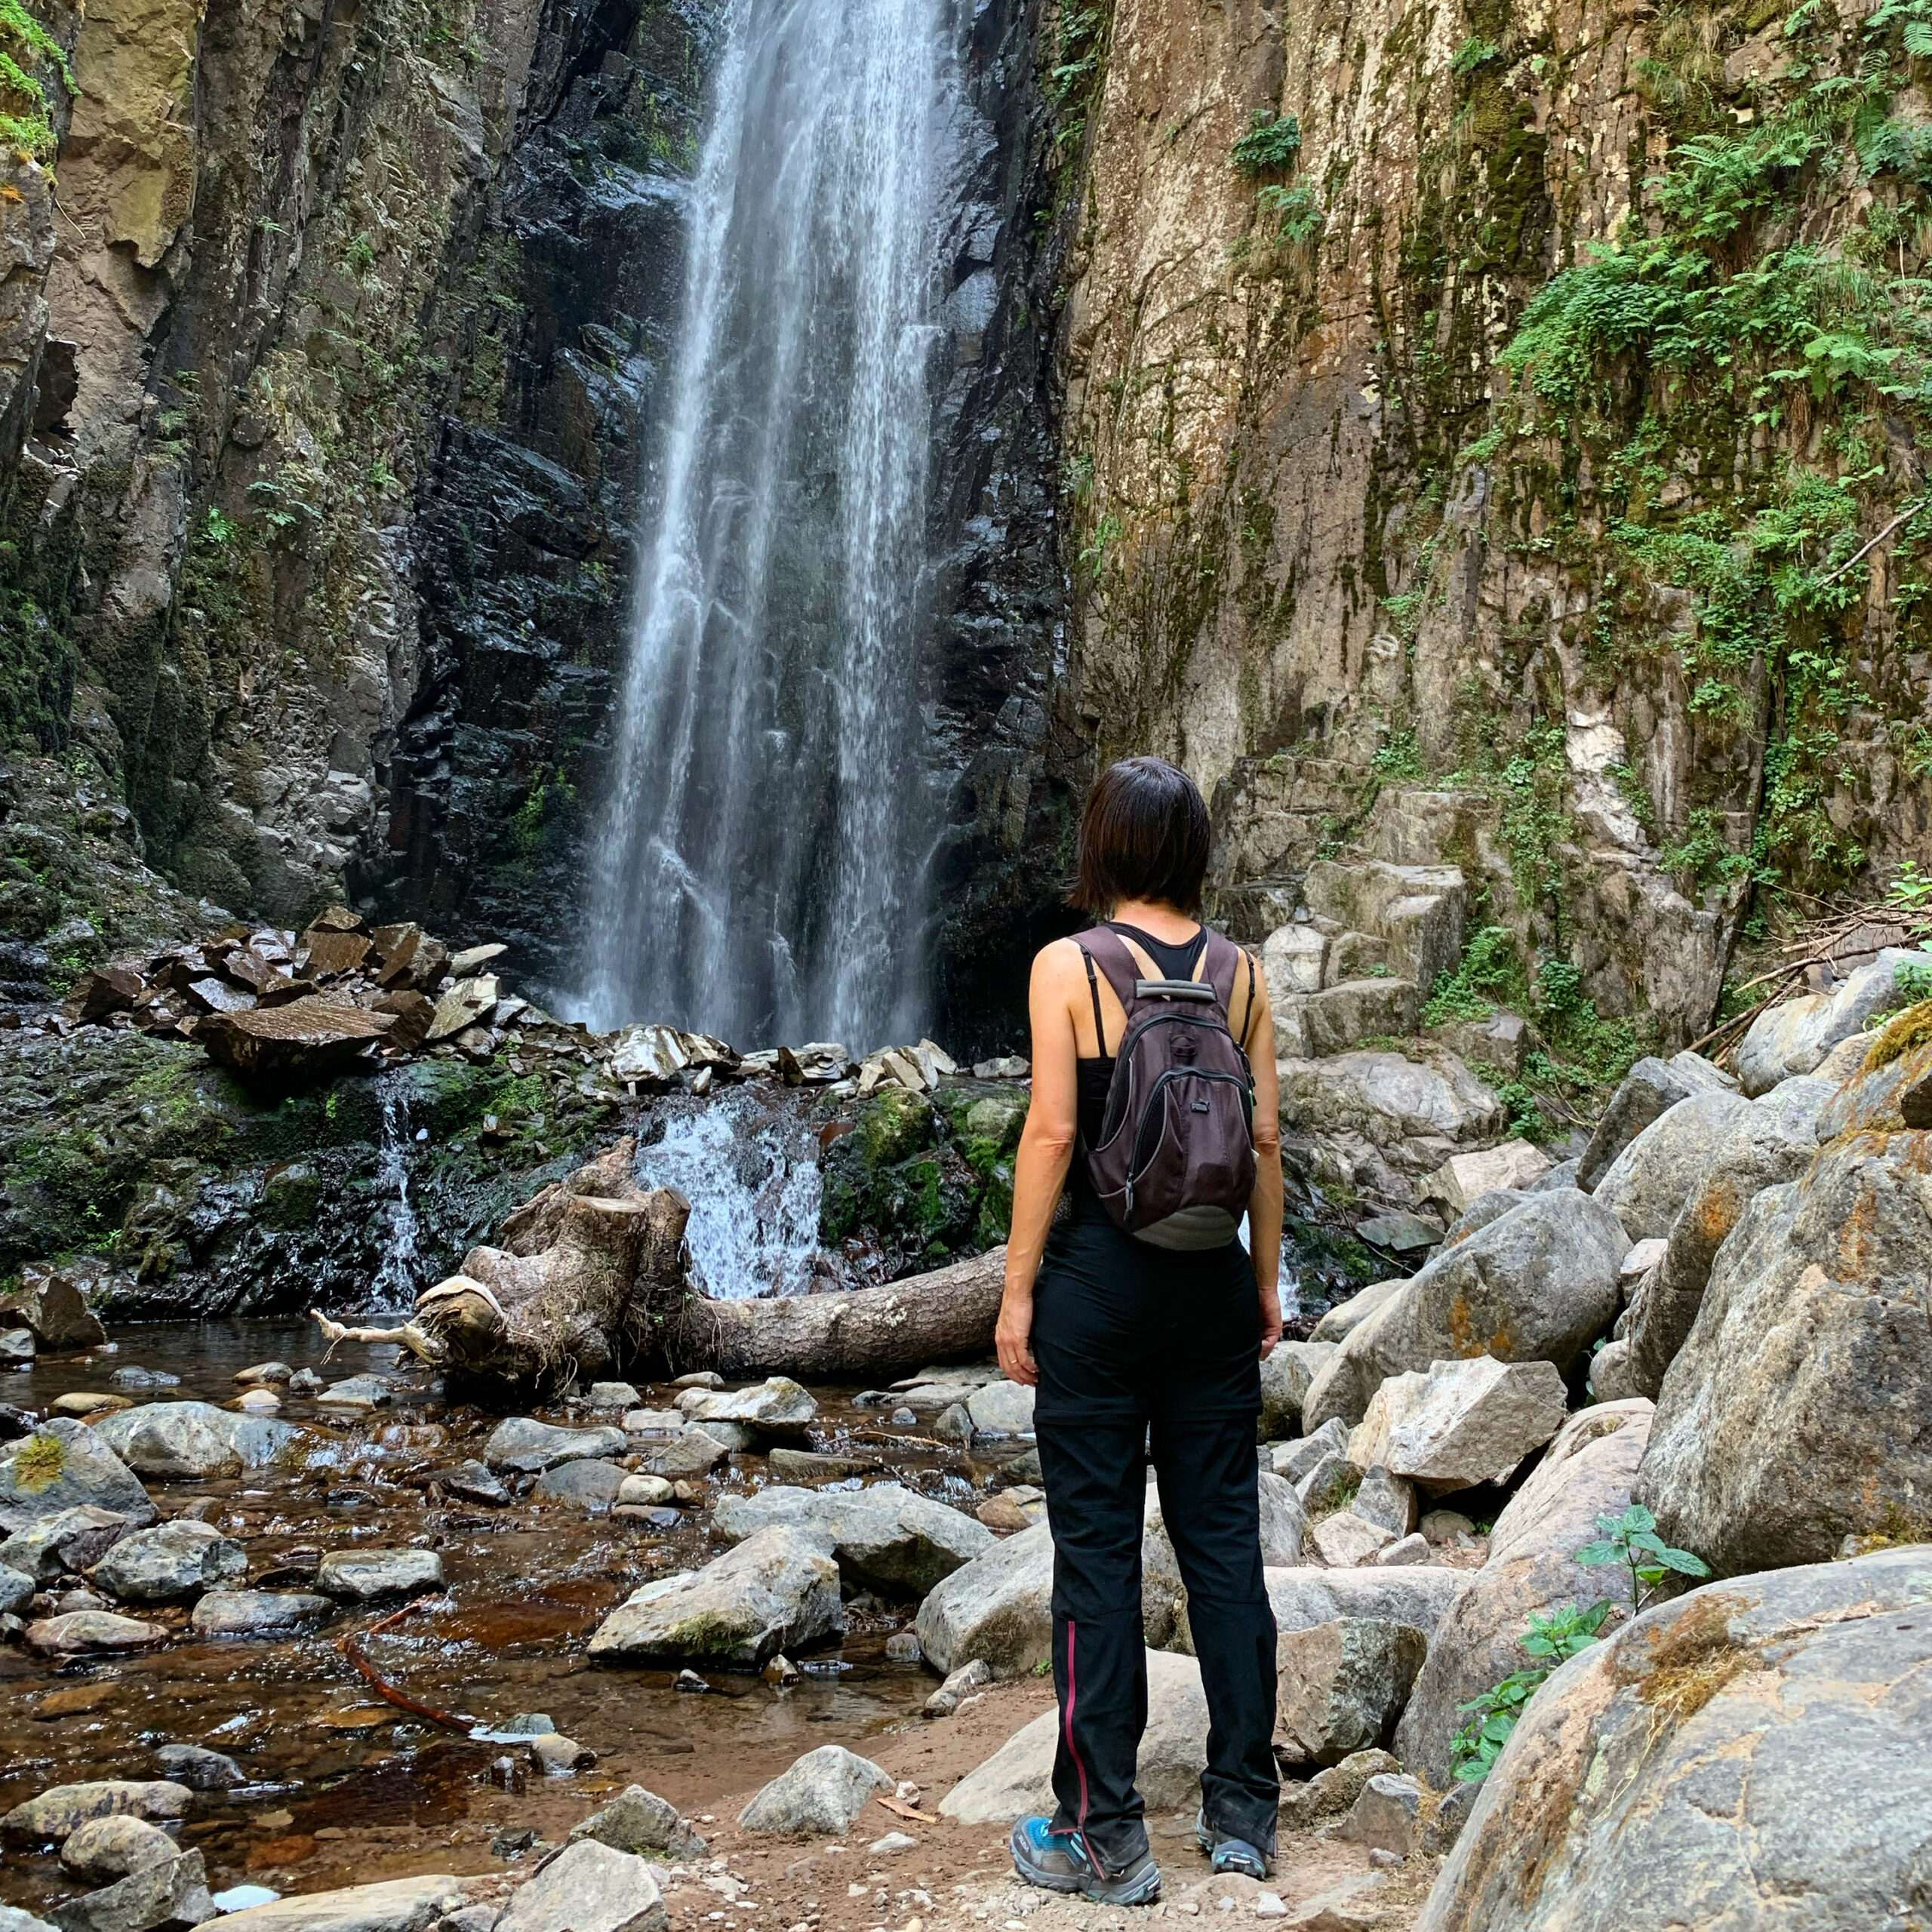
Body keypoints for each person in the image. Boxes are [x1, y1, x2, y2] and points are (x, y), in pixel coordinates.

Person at [998, 754, 1283, 1907]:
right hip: (1211, 1281)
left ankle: (1103, 1831)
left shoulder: (1069, 966)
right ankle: (1242, 1815)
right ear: (1195, 855)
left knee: (1099, 1558)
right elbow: (1264, 1143)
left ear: (1104, 850)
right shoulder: (1244, 975)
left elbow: (1053, 1136)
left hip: (1102, 1292)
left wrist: (1018, 1291)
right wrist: (1266, 1281)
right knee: (1223, 1549)